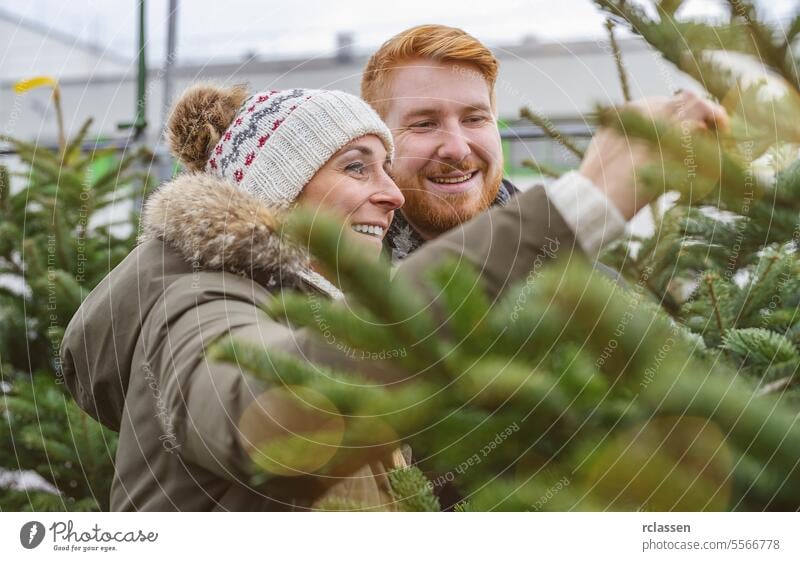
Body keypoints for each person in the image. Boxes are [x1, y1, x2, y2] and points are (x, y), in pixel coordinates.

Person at [61, 73, 725, 510]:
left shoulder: (306, 311)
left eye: (386, 166)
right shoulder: (196, 307)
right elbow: (276, 427)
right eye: (356, 167)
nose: (390, 191)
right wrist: (582, 203)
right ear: (272, 189)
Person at [361, 24, 729, 262]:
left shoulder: (587, 286)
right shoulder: (332, 286)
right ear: (380, 139)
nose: (457, 149)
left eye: (475, 119)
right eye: (425, 124)